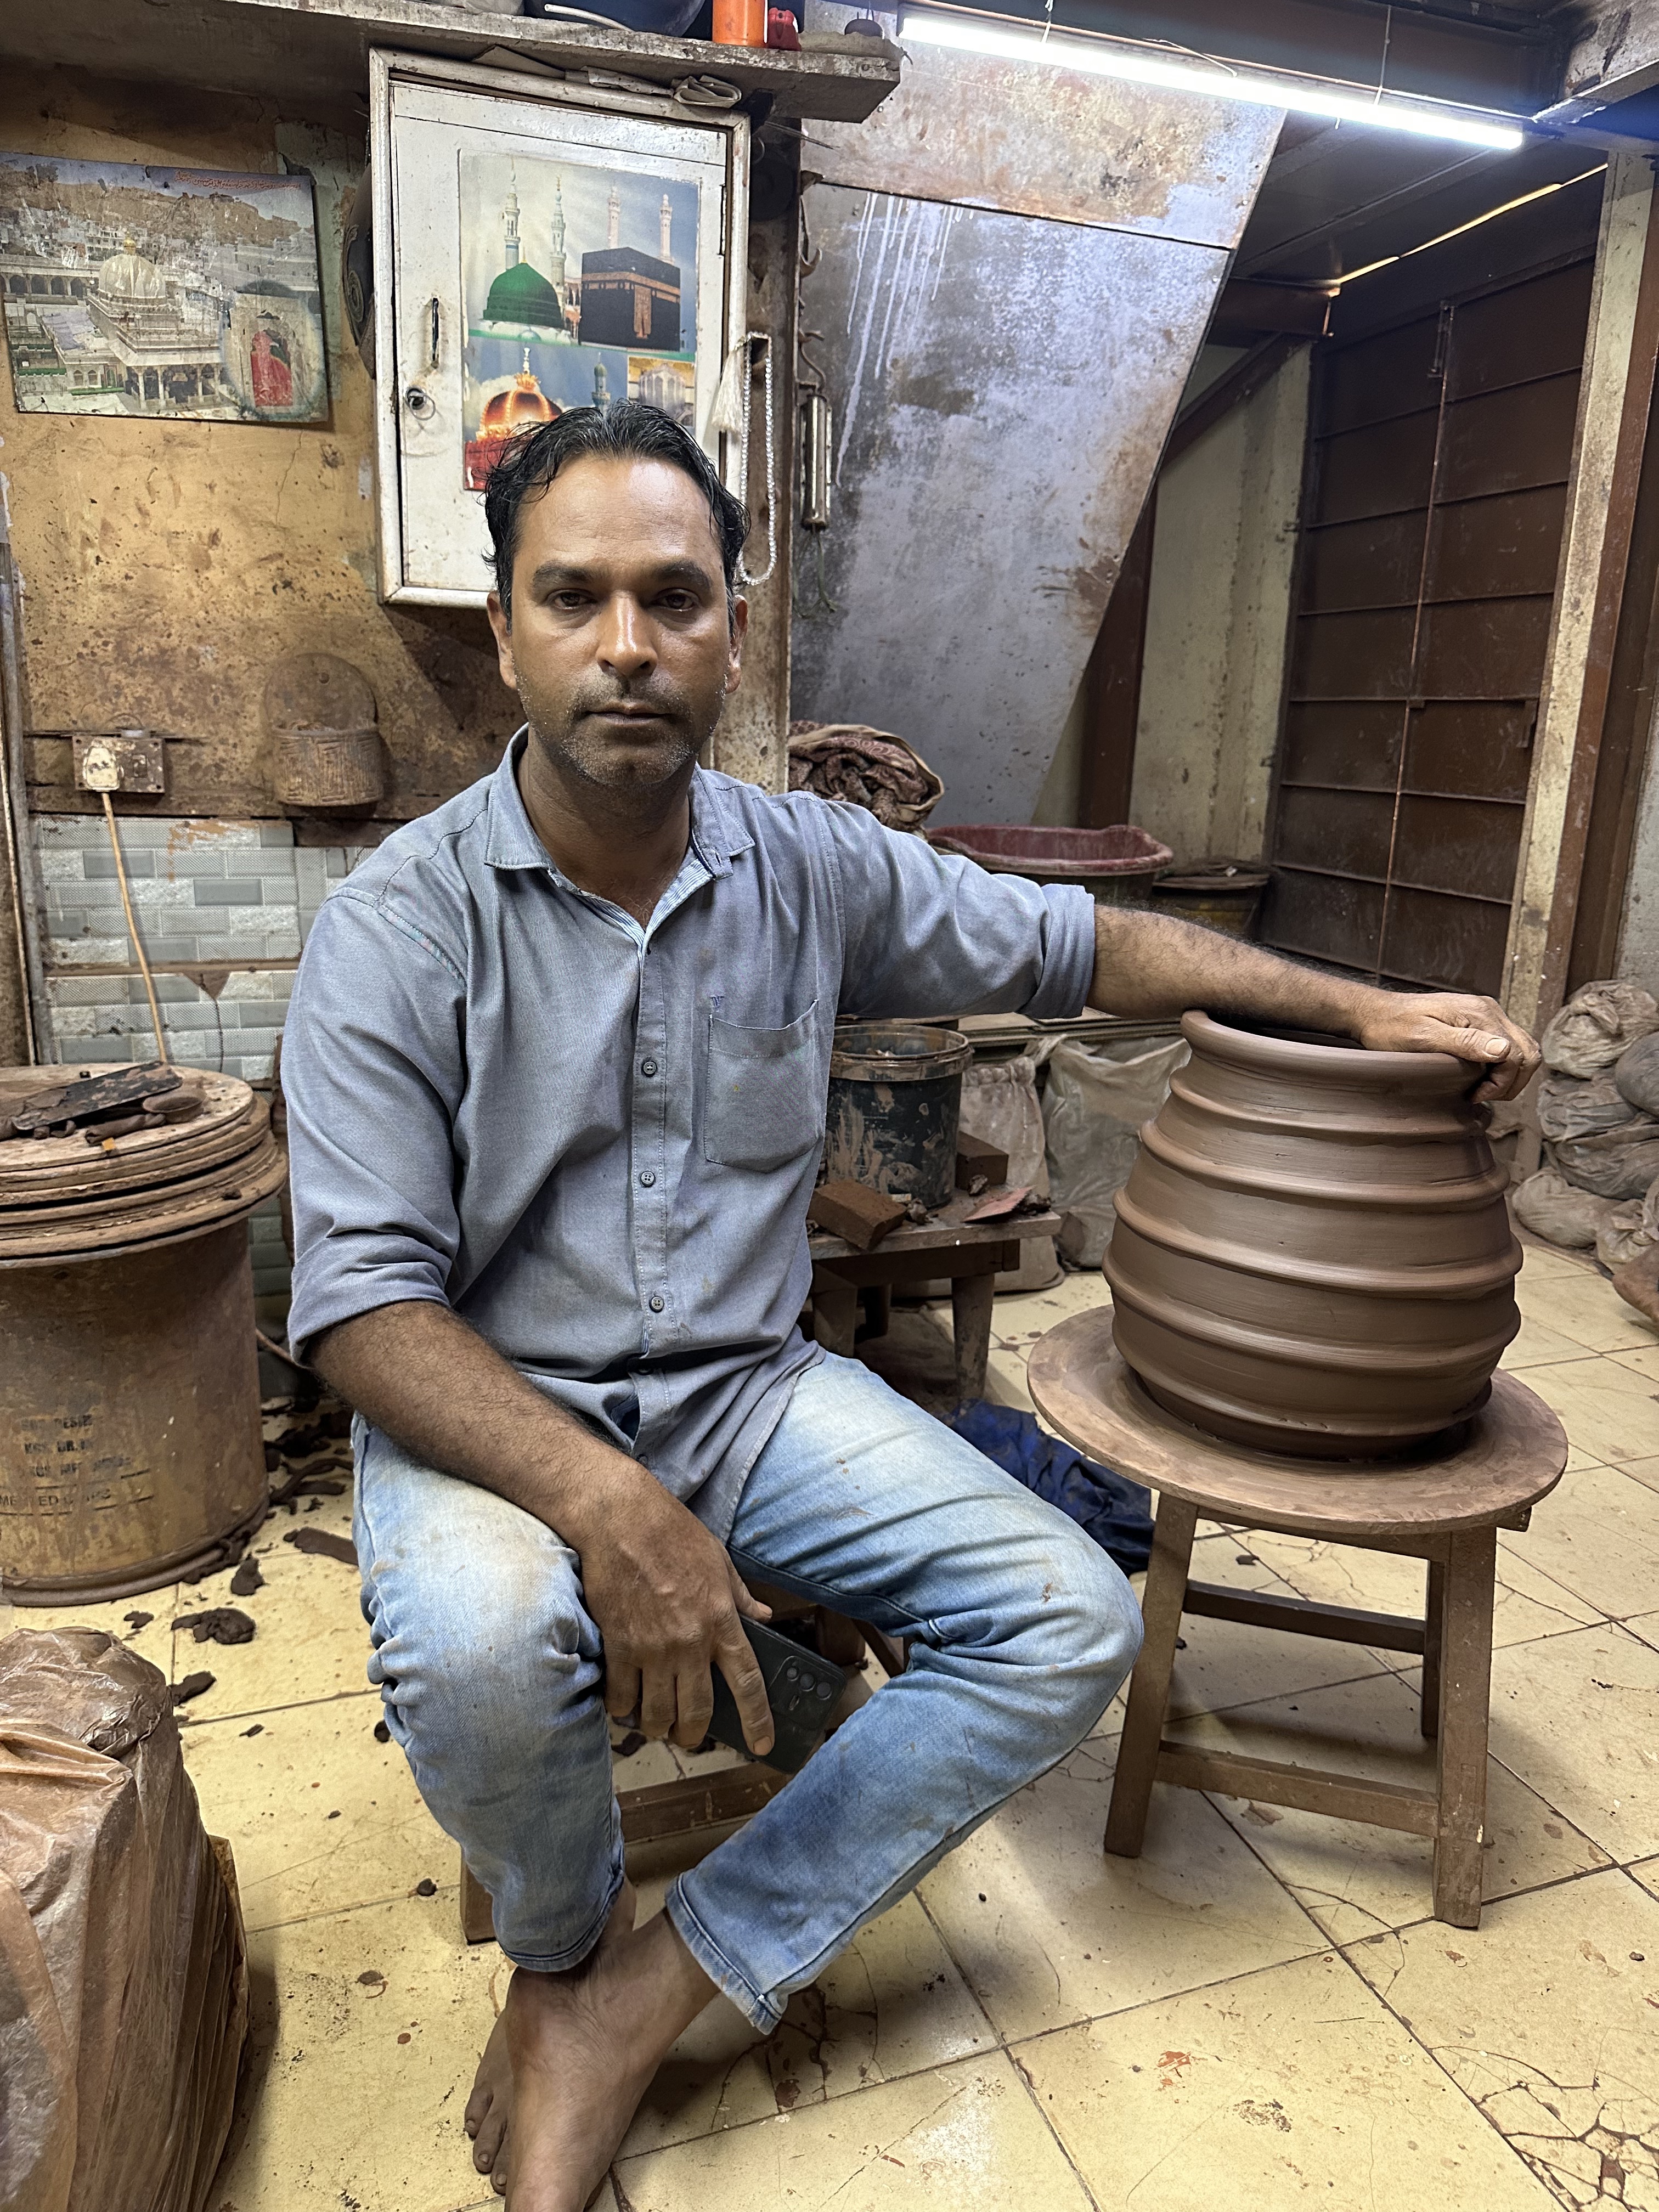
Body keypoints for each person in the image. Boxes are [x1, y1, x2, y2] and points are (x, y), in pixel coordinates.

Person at [280, 403, 1540, 2212]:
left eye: (674, 596)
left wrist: (1351, 1007)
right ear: (506, 633)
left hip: (743, 1394)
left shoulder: (806, 866)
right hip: (497, 1410)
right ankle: (557, 1960)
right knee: (481, 1653)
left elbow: (1085, 945)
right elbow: (364, 1312)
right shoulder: (401, 924)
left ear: (737, 629)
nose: (626, 645)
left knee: (1057, 1618)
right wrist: (613, 1508)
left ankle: (655, 1986)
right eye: (574, 598)